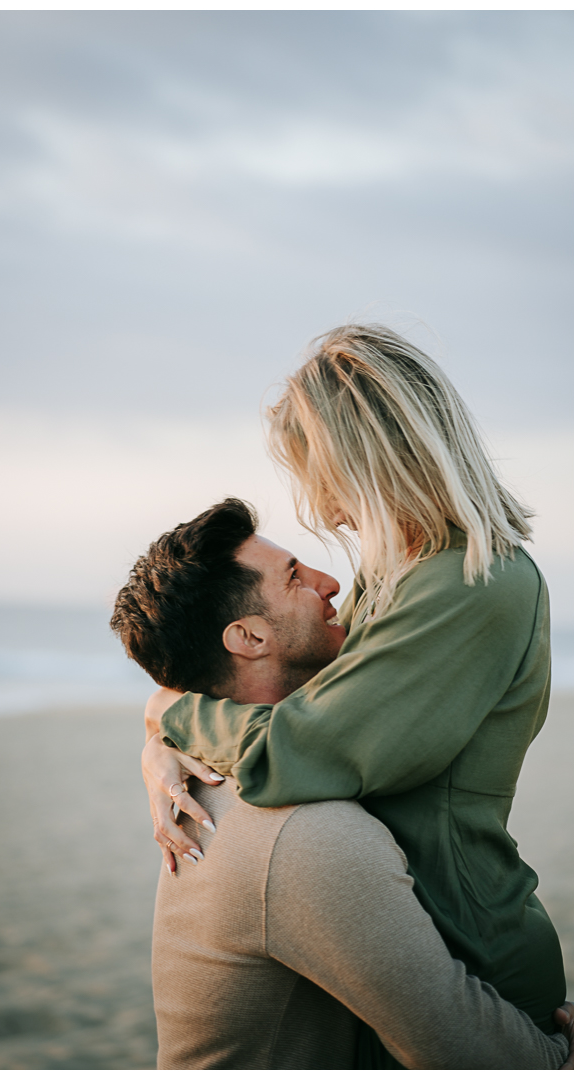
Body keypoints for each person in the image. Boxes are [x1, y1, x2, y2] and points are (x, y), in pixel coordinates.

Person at [136, 324, 568, 1064]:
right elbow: (296, 707)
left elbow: (302, 752)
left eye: (321, 477)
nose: (326, 508)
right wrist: (158, 744)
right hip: (390, 932)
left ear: (366, 461)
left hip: (471, 950)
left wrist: (170, 712)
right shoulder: (397, 577)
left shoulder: (472, 584)